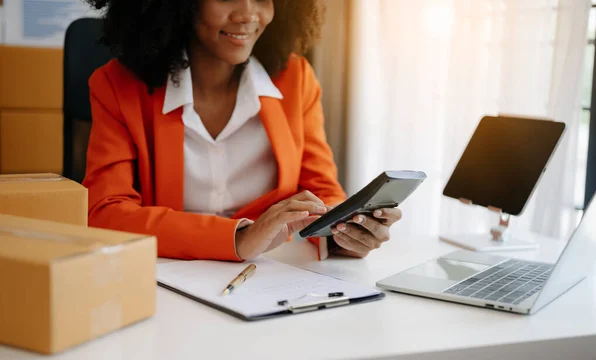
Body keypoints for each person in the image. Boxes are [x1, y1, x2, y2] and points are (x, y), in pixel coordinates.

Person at [82, 0, 403, 261]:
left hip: (271, 274)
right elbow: (106, 214)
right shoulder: (117, 85)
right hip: (164, 277)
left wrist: (342, 233)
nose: (248, 14)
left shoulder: (296, 78)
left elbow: (322, 191)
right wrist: (239, 237)